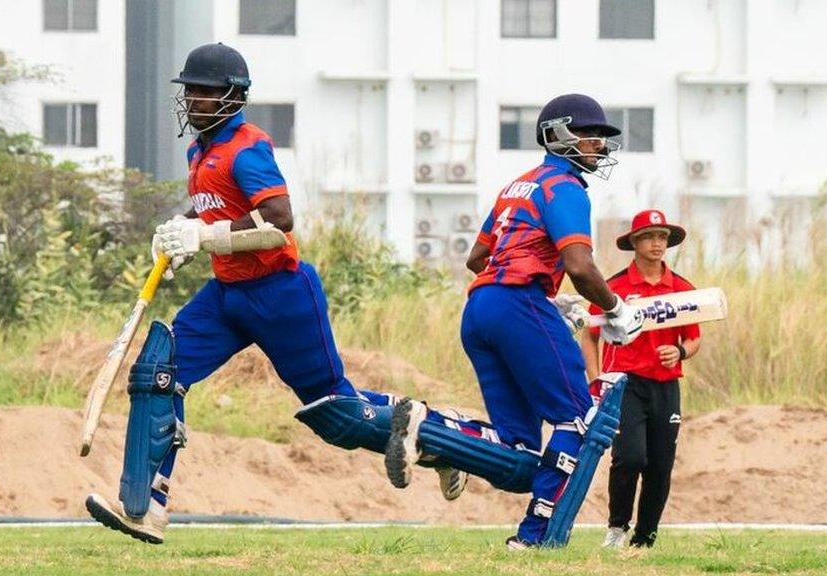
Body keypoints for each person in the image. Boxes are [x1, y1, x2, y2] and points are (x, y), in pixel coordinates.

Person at [85, 42, 466, 544]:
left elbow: (280, 218)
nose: (192, 99)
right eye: (189, 90)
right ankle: (146, 506)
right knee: (159, 374)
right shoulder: (198, 152)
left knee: (335, 413)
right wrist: (182, 229)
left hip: (280, 292)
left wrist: (207, 235)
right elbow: (217, 211)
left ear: (233, 96)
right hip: (227, 294)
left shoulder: (248, 147)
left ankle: (445, 438)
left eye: (203, 90)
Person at [384, 94, 646, 549]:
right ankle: (533, 539)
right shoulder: (564, 187)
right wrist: (616, 309)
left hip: (481, 308)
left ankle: (436, 432)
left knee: (519, 452)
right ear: (558, 134)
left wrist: (548, 298)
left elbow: (477, 259)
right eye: (590, 135)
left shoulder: (517, 185)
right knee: (578, 421)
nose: (599, 146)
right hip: (516, 305)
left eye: (602, 138)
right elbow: (580, 265)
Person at [583, 209, 701, 549]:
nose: (657, 243)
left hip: (666, 386)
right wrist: (597, 381)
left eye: (662, 237)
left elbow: (693, 338)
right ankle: (617, 528)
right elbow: (590, 336)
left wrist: (680, 353)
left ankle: (645, 537)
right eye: (649, 236)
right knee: (630, 457)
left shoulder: (681, 289)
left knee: (660, 464)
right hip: (625, 385)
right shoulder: (613, 288)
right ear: (634, 242)